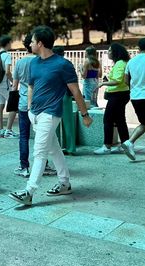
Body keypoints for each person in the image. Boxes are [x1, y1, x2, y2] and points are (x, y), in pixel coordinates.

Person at [9, 26, 92, 206]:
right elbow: (31, 86)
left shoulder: (63, 65)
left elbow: (76, 91)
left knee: (40, 152)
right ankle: (64, 183)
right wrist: (30, 110)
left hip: (51, 114)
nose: (29, 44)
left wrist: (84, 114)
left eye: (31, 41)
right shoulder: (34, 63)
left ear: (40, 43)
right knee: (54, 149)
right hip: (35, 114)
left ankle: (29, 191)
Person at [12, 34, 56, 178]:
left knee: (23, 136)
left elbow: (14, 85)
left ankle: (24, 167)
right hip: (41, 104)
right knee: (42, 136)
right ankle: (45, 165)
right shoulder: (41, 61)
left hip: (24, 103)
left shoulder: (19, 63)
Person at [94, 44, 131, 156]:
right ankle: (125, 145)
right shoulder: (122, 63)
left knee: (108, 120)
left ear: (116, 52)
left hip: (117, 95)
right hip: (121, 94)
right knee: (120, 121)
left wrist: (103, 83)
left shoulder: (120, 63)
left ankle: (107, 146)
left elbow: (118, 80)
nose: (108, 52)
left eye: (110, 51)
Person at [53, 46, 76, 156]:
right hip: (65, 95)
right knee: (68, 123)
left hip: (53, 96)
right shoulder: (67, 63)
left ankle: (56, 148)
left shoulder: (50, 64)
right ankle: (70, 148)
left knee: (55, 124)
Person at [0, 35, 18, 138]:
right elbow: (7, 72)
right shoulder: (7, 55)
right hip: (5, 84)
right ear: (7, 43)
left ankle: (1, 130)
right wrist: (13, 81)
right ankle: (8, 130)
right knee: (14, 107)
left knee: (0, 106)